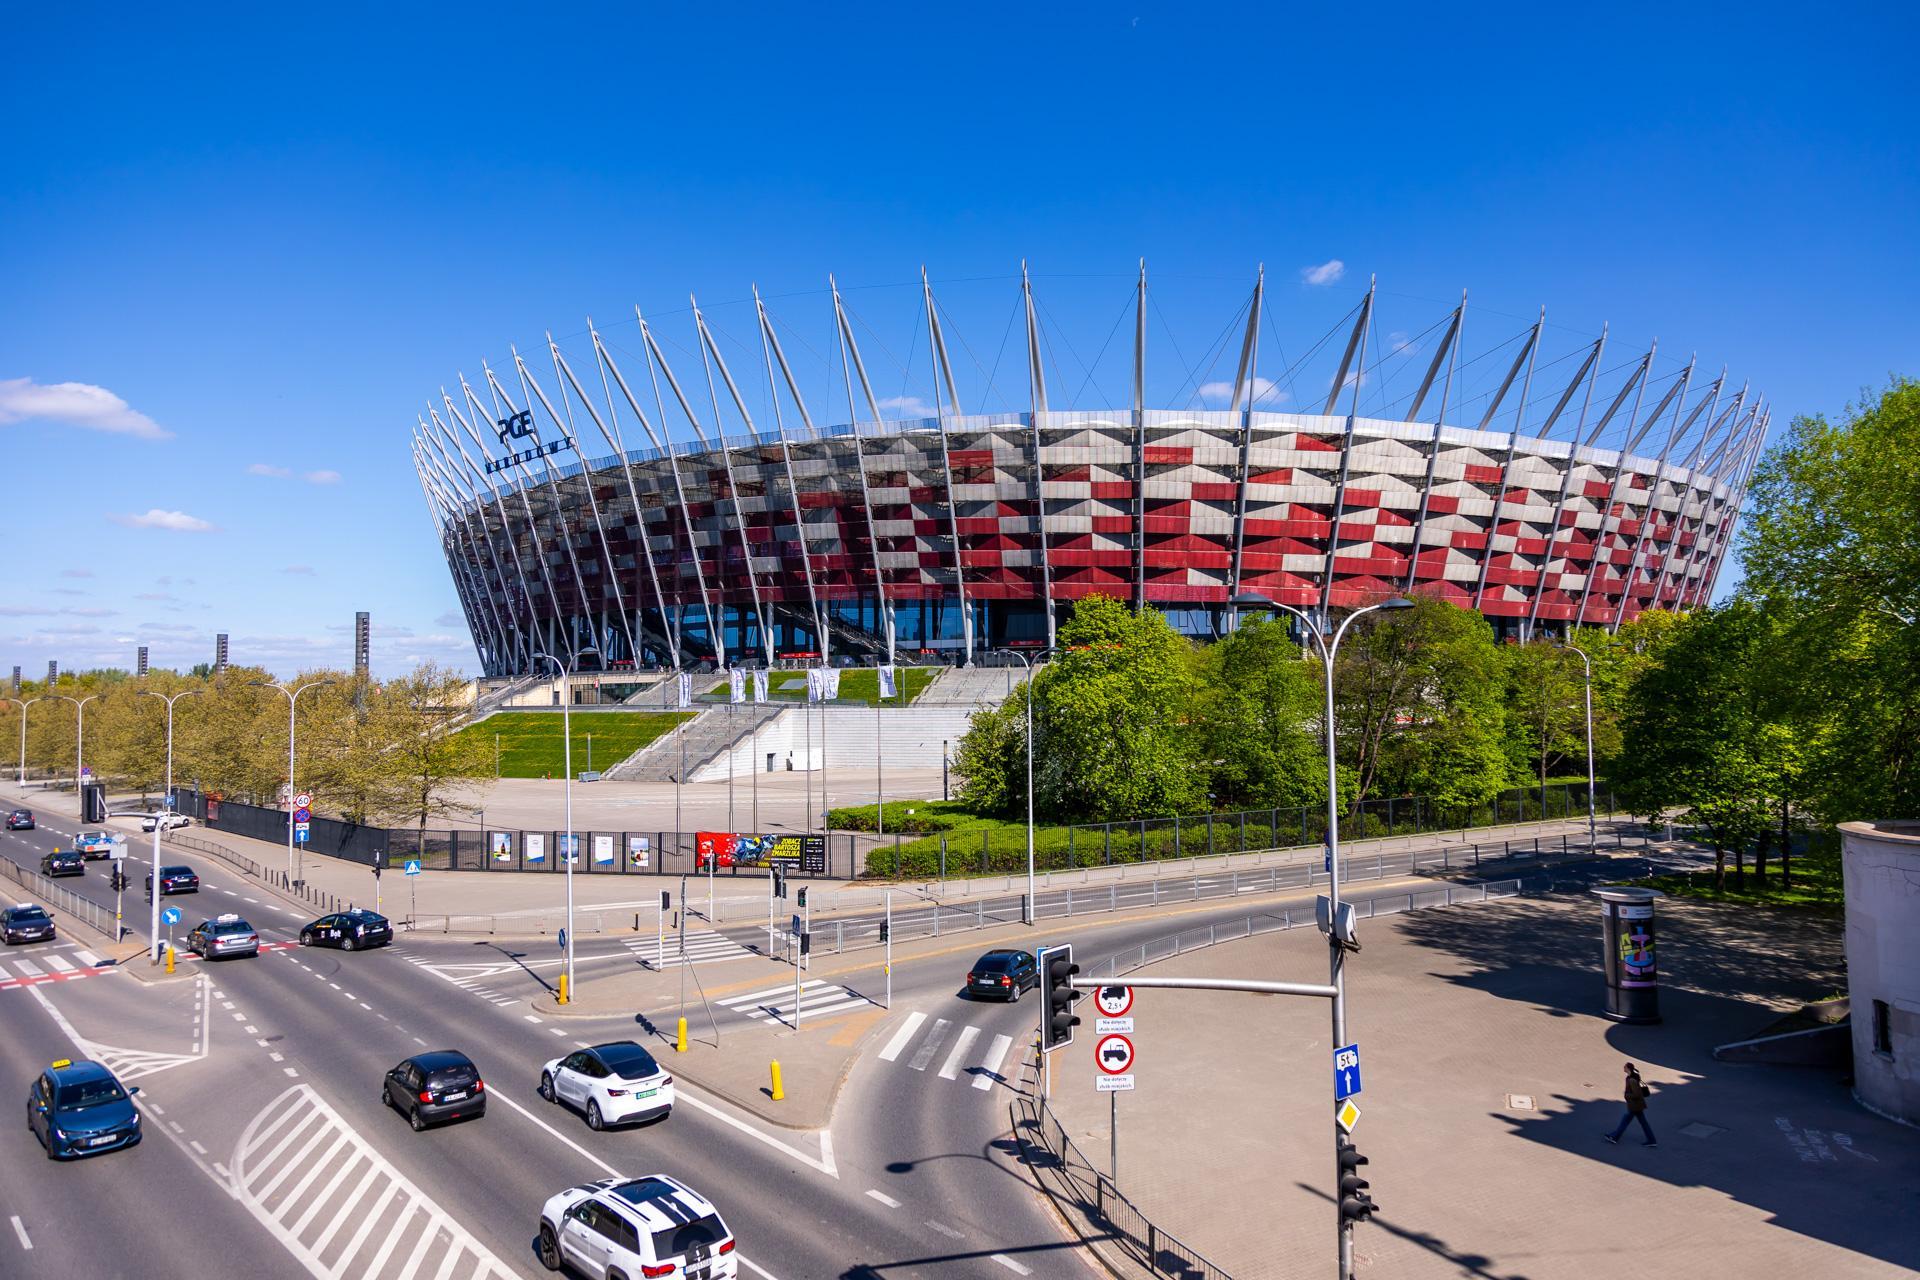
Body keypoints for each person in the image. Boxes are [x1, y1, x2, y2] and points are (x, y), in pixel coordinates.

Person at [1604, 1063, 1657, 1146]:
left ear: (1628, 1068)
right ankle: (1652, 1140)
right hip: (1637, 1105)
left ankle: (1614, 1137)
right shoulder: (1630, 1078)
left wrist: (1627, 1095)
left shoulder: (1632, 1080)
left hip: (1635, 1106)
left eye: (1625, 1066)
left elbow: (1637, 1094)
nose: (1623, 1067)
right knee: (1642, 1123)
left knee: (1625, 1121)